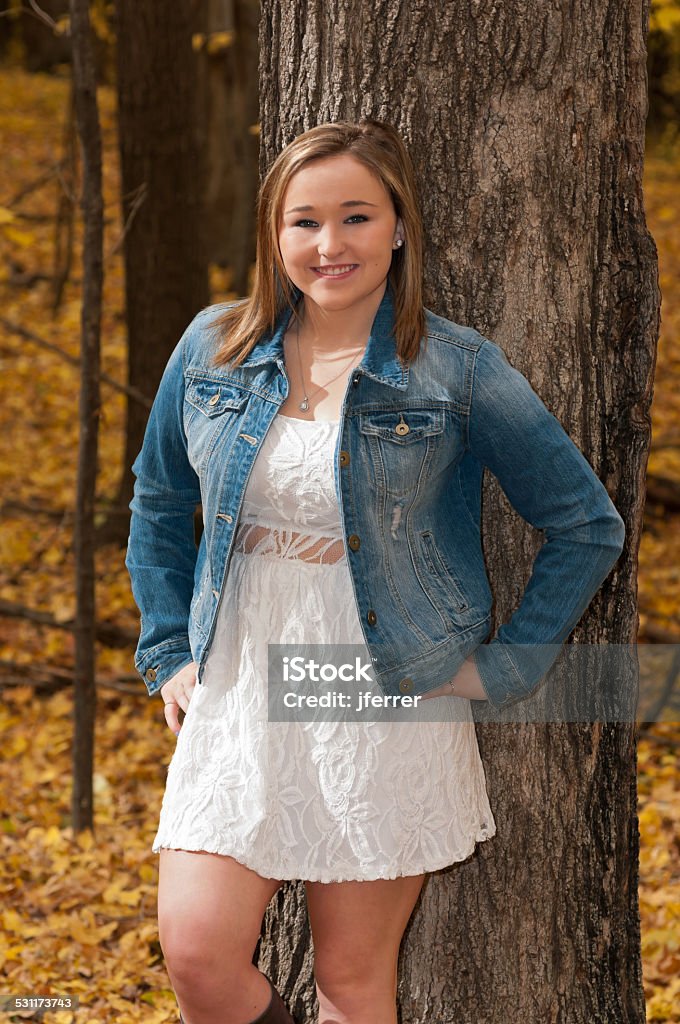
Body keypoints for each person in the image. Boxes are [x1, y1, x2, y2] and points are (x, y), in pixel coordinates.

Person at [125, 119, 625, 1024]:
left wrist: (507, 668)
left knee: (353, 986)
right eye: (303, 221)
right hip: (239, 681)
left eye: (355, 217)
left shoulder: (454, 368)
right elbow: (160, 503)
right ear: (273, 236)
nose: (328, 245)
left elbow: (586, 525)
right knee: (198, 957)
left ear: (398, 226)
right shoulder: (214, 350)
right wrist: (167, 650)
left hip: (384, 689)